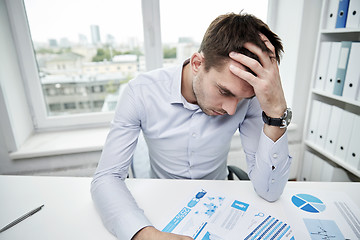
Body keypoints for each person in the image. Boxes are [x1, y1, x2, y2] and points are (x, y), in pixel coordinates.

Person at [91, 12, 292, 240]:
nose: (231, 110)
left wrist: (276, 113)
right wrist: (144, 235)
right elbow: (106, 178)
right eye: (224, 91)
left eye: (242, 99)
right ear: (198, 63)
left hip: (219, 205)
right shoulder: (141, 92)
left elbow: (270, 190)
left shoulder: (250, 98)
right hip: (159, 205)